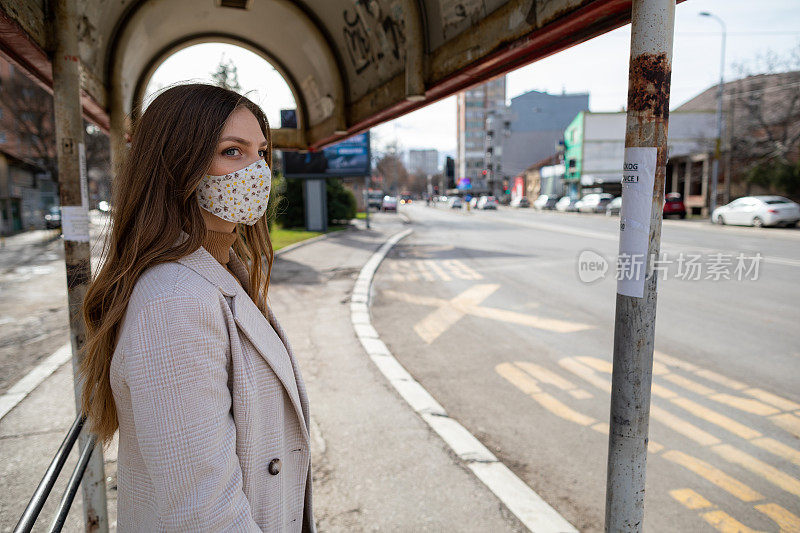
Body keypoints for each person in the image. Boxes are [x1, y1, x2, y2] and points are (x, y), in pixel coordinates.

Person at [78, 83, 315, 532]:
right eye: (232, 151)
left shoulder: (222, 268)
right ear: (177, 164)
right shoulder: (173, 300)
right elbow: (204, 514)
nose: (258, 171)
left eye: (261, 153)